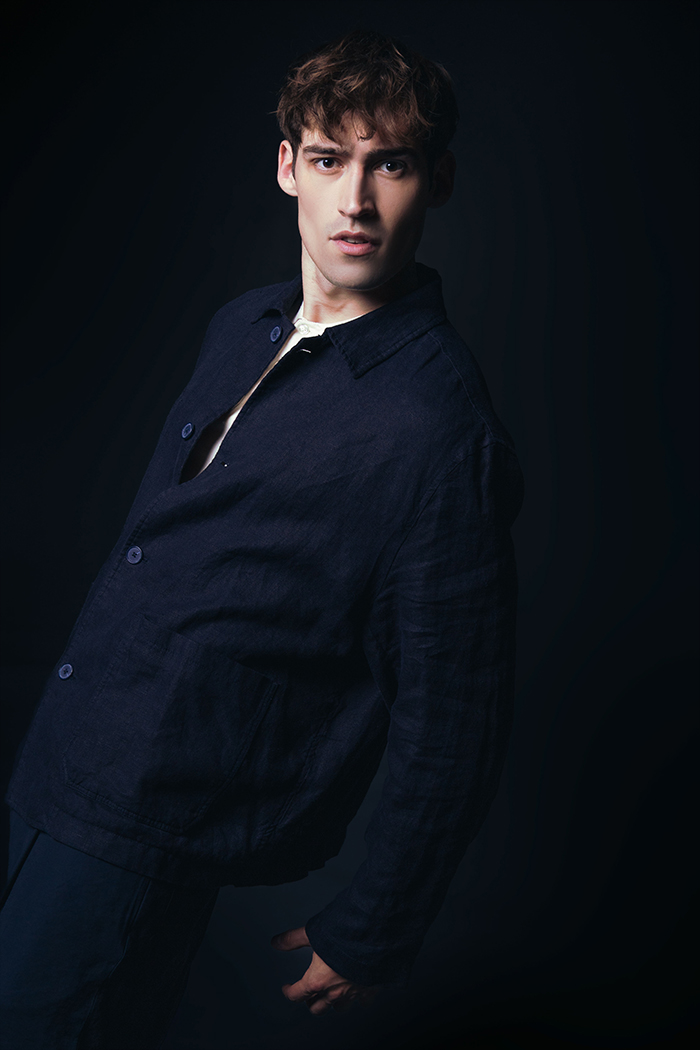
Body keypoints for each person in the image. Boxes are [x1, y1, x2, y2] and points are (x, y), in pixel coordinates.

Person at [1, 29, 523, 1048]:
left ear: (437, 181)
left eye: (391, 165)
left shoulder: (438, 429)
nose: (355, 200)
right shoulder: (244, 322)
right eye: (329, 160)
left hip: (149, 819)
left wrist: (377, 925)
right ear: (288, 167)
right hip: (55, 759)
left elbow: (456, 716)